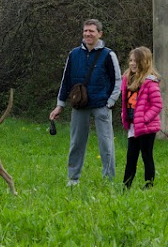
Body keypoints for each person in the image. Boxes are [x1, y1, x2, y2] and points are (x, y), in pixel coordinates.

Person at [49, 19, 122, 186]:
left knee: (106, 144)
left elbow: (117, 81)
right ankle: (73, 179)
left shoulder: (108, 54)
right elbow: (65, 81)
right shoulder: (73, 54)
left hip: (101, 105)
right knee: (76, 143)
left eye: (92, 31)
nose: (88, 34)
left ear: (100, 34)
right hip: (79, 106)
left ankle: (109, 180)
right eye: (86, 31)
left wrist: (110, 102)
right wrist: (60, 105)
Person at [121, 46, 163, 189]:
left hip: (146, 127)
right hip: (133, 126)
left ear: (144, 62)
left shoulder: (150, 83)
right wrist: (125, 115)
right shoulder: (127, 79)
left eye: (136, 61)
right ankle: (125, 187)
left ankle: (148, 186)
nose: (132, 63)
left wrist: (144, 118)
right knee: (131, 158)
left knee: (146, 156)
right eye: (131, 60)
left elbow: (157, 105)